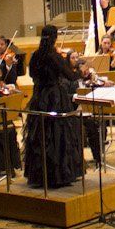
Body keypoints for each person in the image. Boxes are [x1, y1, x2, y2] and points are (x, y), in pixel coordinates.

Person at [22, 24, 85, 187]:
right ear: (55, 37)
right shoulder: (54, 56)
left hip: (39, 96)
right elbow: (70, 76)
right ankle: (58, 175)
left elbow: (32, 74)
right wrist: (81, 71)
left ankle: (40, 175)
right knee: (58, 134)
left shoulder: (36, 55)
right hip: (55, 97)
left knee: (40, 135)